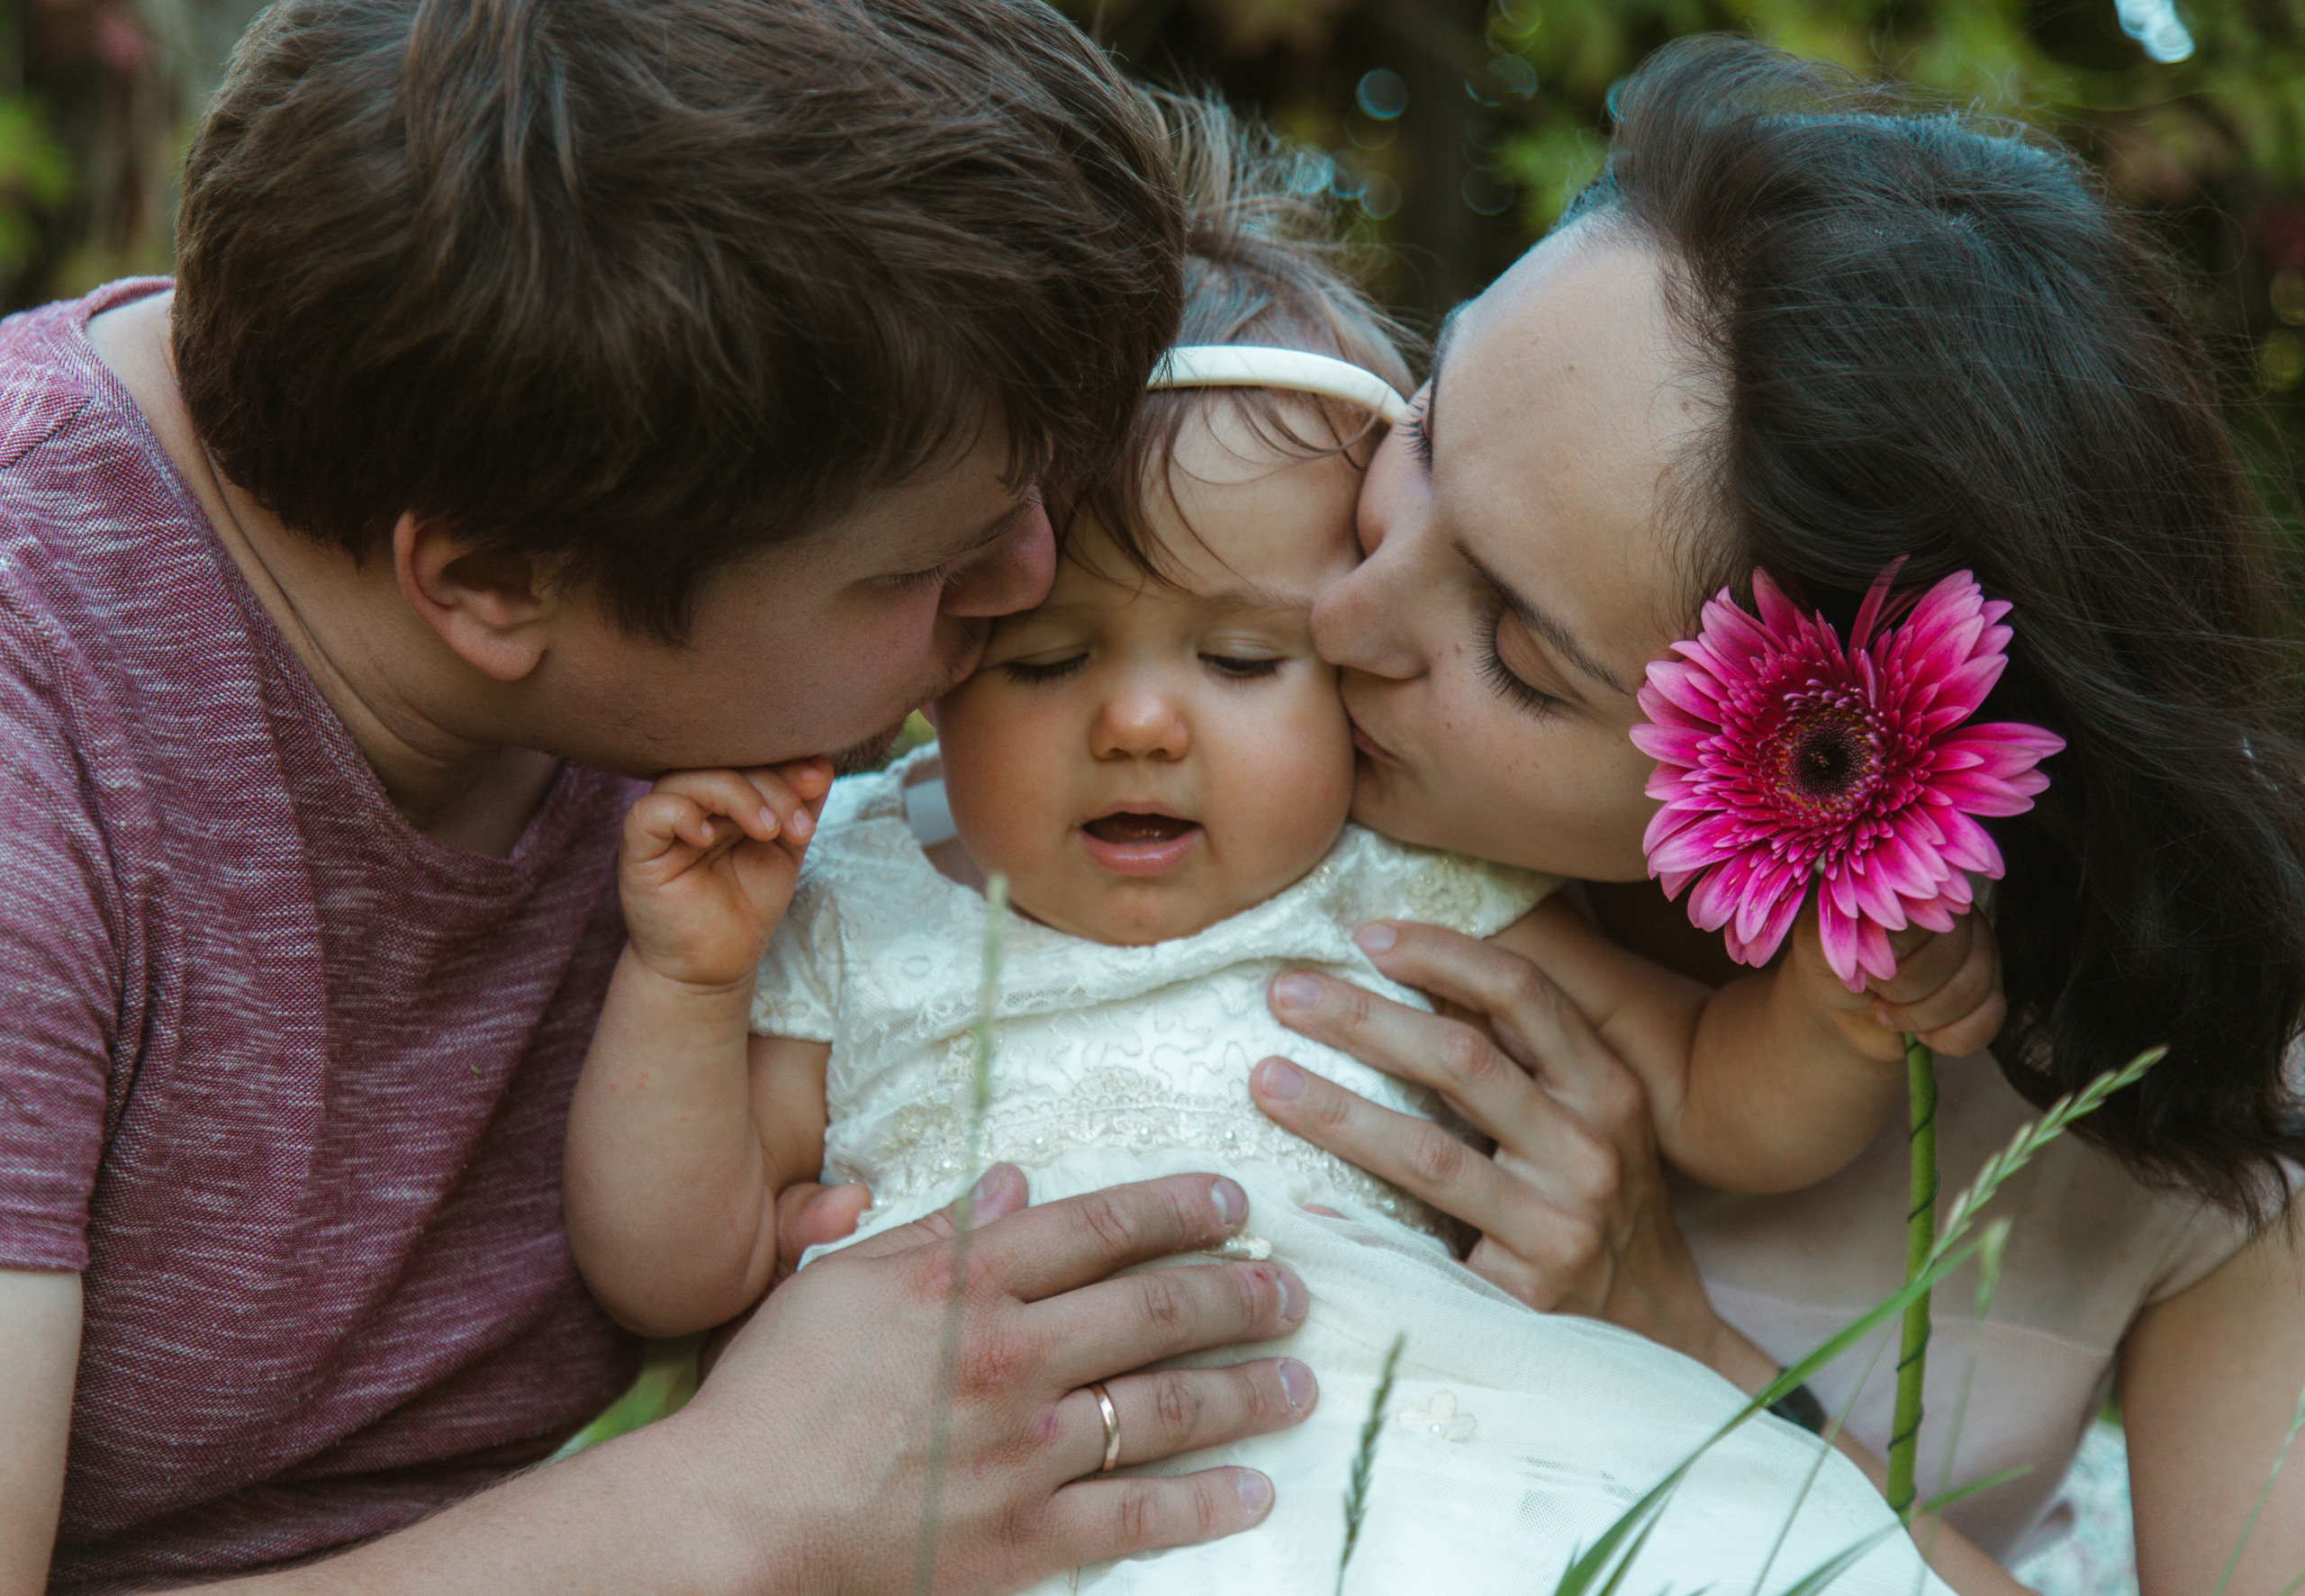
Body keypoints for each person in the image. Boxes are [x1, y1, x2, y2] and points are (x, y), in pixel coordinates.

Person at [563, 97, 1993, 1592]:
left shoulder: (1396, 883)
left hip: (1409, 1469)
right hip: (986, 1497)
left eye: (1247, 662)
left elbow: (1714, 1099)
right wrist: (690, 981)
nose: (1137, 724)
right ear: (940, 657)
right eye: (1043, 663)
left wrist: (1837, 1011)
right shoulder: (861, 883)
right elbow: (675, 1264)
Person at [0, 4, 1332, 1591]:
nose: (1030, 577)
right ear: (494, 581)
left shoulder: (642, 519)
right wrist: (733, 1504)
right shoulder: (46, 726)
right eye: (923, 566)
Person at [1241, 36, 2305, 1594]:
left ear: (1840, 755)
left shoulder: (2188, 1080)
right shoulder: (1194, 779)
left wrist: (1684, 1353)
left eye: (1520, 656)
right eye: (1418, 425)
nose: (1342, 614)